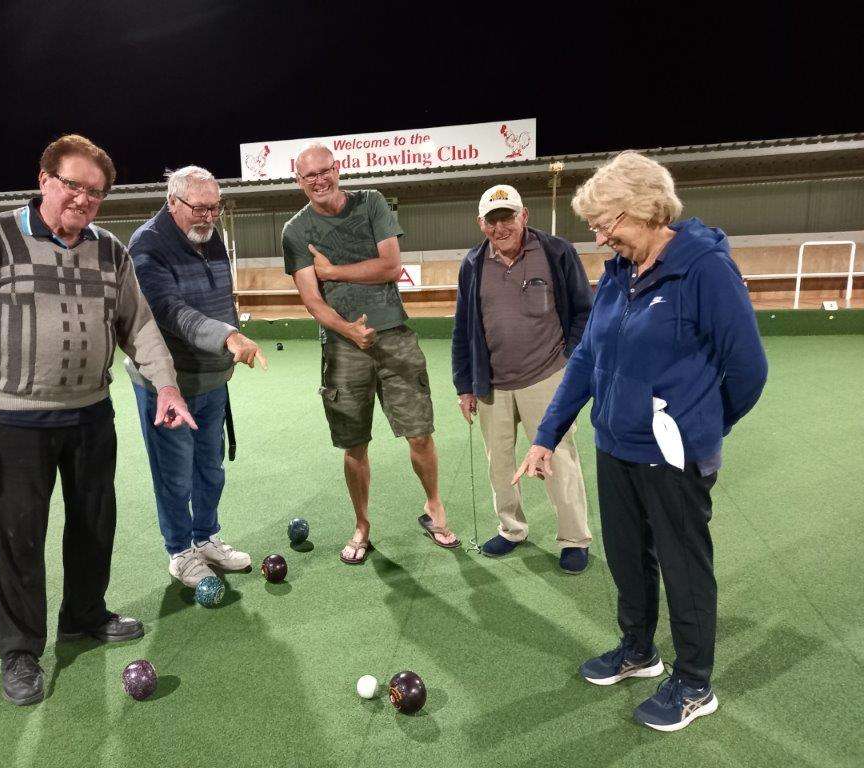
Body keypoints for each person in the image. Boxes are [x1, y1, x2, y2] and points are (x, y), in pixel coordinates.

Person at [0, 134, 194, 707]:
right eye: (73, 184)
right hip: (12, 423)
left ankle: (84, 616)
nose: (84, 199)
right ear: (45, 179)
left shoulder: (110, 251)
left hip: (91, 416)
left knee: (94, 525)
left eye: (96, 192)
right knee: (17, 540)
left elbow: (139, 325)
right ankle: (21, 651)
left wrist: (167, 384)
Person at [515, 151, 767, 731]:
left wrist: (698, 427)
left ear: (650, 210)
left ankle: (695, 683)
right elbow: (586, 358)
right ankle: (638, 651)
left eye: (609, 224)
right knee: (628, 559)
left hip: (673, 455)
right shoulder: (620, 274)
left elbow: (749, 370)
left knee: (683, 568)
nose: (602, 238)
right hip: (616, 446)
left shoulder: (705, 268)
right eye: (597, 228)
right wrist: (547, 434)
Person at [282, 143, 458, 564]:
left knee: (419, 433)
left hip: (394, 335)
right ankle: (362, 525)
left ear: (338, 169)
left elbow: (390, 267)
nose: (319, 180)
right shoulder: (295, 230)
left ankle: (434, 506)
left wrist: (330, 270)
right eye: (310, 176)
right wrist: (347, 329)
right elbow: (312, 301)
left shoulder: (372, 203)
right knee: (354, 444)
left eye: (326, 171)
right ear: (299, 180)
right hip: (343, 348)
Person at [126, 166, 265, 587]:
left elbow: (220, 296)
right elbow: (170, 312)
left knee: (210, 468)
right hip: (168, 384)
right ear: (173, 202)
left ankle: (205, 539)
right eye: (199, 208)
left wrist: (223, 350)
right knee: (174, 473)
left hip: (211, 379)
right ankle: (180, 552)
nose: (208, 216)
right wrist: (228, 337)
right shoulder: (147, 245)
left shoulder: (208, 234)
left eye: (214, 208)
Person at [451, 184, 593, 572]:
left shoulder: (557, 251)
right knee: (499, 464)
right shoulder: (473, 263)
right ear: (482, 224)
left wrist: (571, 360)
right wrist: (464, 384)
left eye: (507, 217)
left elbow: (584, 311)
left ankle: (574, 538)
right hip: (491, 384)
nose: (501, 227)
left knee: (559, 457)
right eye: (493, 220)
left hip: (547, 376)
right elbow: (463, 329)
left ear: (523, 216)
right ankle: (512, 529)